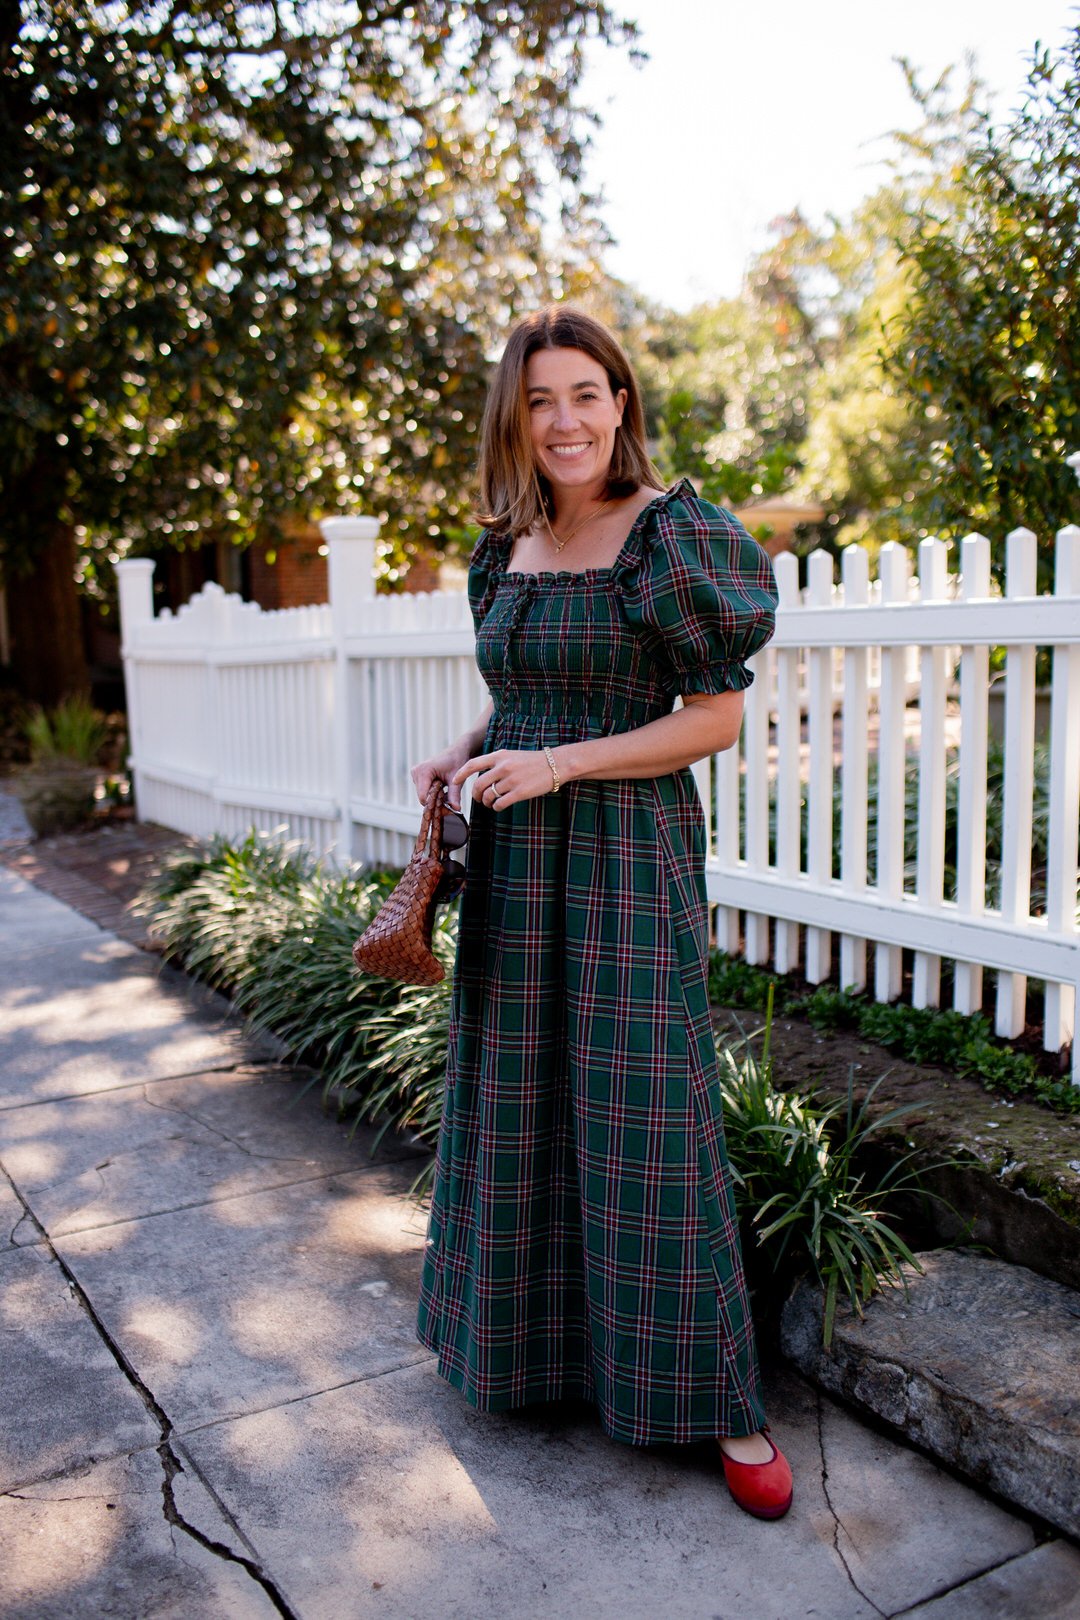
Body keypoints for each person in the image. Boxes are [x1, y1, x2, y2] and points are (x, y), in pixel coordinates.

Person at [410, 305, 791, 1520]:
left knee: (647, 1110)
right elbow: (527, 692)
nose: (564, 421)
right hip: (517, 858)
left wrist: (561, 764)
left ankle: (719, 1401)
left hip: (627, 851)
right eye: (539, 401)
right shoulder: (505, 545)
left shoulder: (673, 536)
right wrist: (463, 750)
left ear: (621, 402)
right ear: (514, 418)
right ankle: (536, 1360)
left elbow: (713, 719)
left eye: (585, 394)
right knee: (520, 1095)